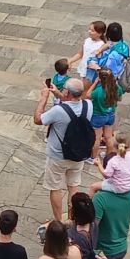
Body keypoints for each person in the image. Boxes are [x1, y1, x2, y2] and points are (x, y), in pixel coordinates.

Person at [36, 77, 93, 225]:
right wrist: (59, 95)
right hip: (78, 155)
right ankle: (72, 218)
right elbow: (72, 104)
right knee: (73, 186)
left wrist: (44, 98)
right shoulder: (88, 106)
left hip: (58, 156)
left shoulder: (57, 111)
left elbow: (38, 119)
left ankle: (58, 221)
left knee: (55, 188)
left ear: (67, 92)